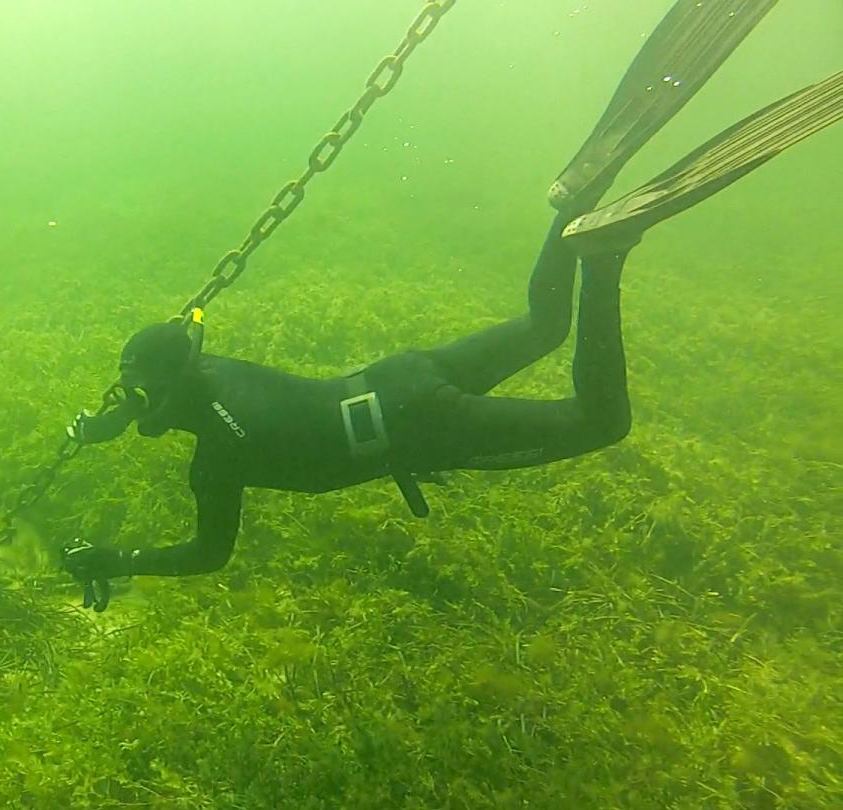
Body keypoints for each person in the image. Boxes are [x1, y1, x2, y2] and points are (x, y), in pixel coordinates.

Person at [60, 1, 843, 611]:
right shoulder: (208, 368)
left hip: (416, 424)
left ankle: (603, 258)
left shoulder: (216, 460)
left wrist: (118, 559)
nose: (136, 408)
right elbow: (176, 347)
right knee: (544, 324)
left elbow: (208, 554)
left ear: (160, 394)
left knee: (601, 423)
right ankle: (577, 198)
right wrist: (116, 419)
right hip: (399, 376)